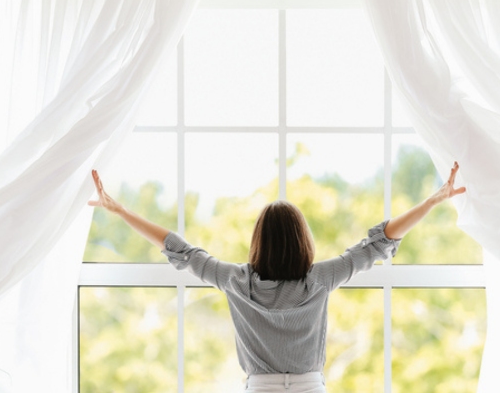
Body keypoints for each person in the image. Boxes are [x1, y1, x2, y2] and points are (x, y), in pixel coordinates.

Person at [88, 162, 466, 392]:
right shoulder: (319, 279)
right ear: (304, 241)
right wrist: (432, 201)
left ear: (258, 242)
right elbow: (379, 242)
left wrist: (120, 210)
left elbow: (180, 250)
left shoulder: (236, 281)